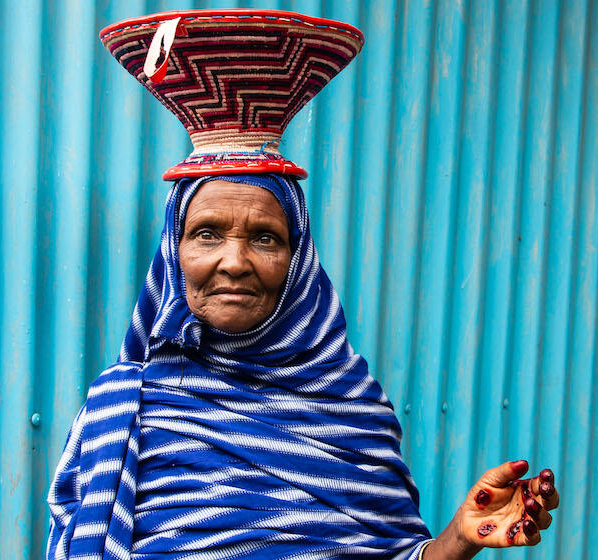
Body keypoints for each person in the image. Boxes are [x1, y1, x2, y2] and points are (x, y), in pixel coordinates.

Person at [47, 10, 558, 560]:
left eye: (265, 238)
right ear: (174, 256)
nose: (234, 261)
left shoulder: (352, 409)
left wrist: (458, 538)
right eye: (206, 233)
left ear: (300, 261)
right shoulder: (126, 410)